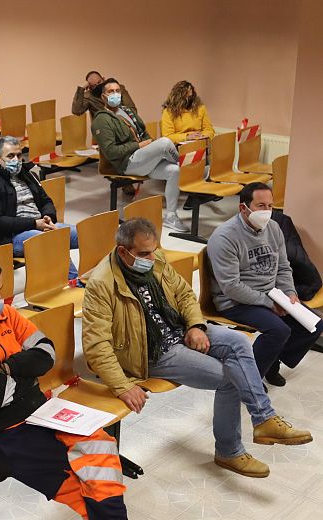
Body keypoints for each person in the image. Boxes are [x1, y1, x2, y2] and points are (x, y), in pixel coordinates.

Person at [82, 218, 313, 478]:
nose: (152, 257)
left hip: (178, 329)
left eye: (154, 250)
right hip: (150, 351)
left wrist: (195, 326)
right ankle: (230, 451)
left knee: (239, 342)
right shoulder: (102, 284)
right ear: (123, 251)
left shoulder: (157, 261)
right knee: (230, 378)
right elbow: (96, 345)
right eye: (144, 253)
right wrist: (122, 386)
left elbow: (184, 295)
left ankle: (264, 419)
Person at [0, 255, 127, 519]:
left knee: (101, 445)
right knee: (71, 476)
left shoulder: (6, 314)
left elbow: (46, 354)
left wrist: (8, 368)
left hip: (39, 410)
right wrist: (27, 370)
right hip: (0, 431)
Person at [208, 183, 323, 385]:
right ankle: (248, 380)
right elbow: (231, 286)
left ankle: (270, 362)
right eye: (260, 205)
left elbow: (284, 267)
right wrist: (269, 303)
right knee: (279, 330)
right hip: (235, 301)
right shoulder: (225, 237)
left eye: (270, 206)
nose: (267, 211)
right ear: (243, 208)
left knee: (314, 325)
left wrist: (289, 293)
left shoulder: (273, 228)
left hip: (272, 294)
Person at [92, 78, 188, 233]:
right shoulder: (101, 120)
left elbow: (143, 133)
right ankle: (186, 167)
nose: (115, 94)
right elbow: (111, 152)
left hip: (142, 159)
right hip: (126, 163)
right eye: (110, 91)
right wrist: (139, 146)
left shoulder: (127, 111)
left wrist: (149, 146)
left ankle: (171, 216)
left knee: (174, 171)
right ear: (103, 96)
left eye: (117, 91)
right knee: (165, 143)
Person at [0, 136, 78, 280]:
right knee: (50, 241)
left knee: (85, 233)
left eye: (19, 155)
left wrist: (48, 217)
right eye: (10, 156)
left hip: (41, 225)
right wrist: (34, 224)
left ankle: (100, 281)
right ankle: (74, 283)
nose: (16, 160)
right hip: (12, 236)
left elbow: (46, 201)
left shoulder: (27, 174)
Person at [72, 71, 136, 118]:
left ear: (103, 79)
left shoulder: (117, 88)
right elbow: (76, 111)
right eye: (94, 85)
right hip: (103, 126)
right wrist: (81, 89)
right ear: (90, 87)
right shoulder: (89, 96)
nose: (98, 86)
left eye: (99, 82)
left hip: (123, 122)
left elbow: (132, 109)